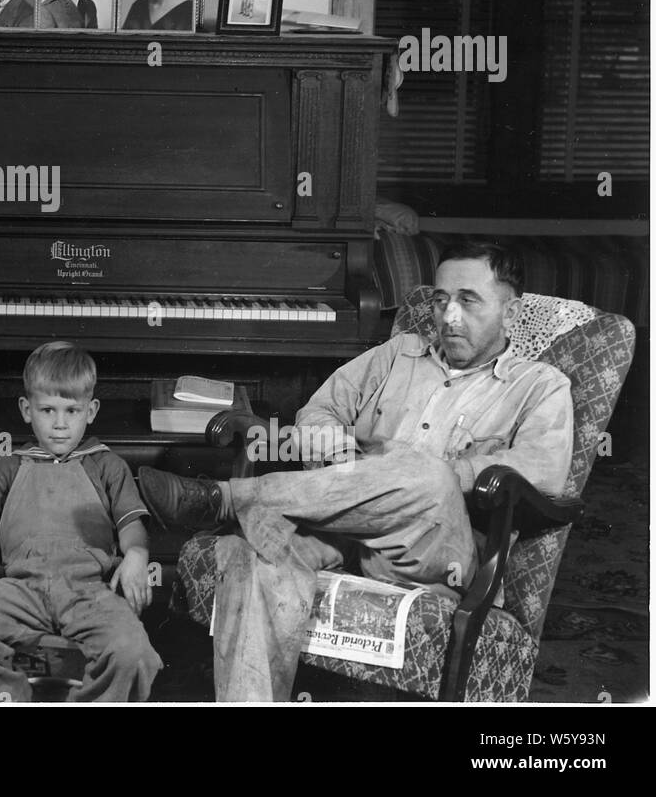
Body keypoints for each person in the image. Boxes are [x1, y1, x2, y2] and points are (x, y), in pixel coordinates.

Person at [137, 241, 573, 701]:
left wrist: (435, 473)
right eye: (441, 299)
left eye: (468, 300)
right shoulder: (397, 354)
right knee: (257, 557)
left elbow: (541, 474)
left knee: (427, 472)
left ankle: (225, 499)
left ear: (512, 312)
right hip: (341, 533)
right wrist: (337, 449)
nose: (448, 317)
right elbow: (320, 410)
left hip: (437, 553)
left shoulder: (538, 387)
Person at [0, 341, 162, 701]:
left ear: (90, 411)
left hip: (89, 590)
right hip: (20, 587)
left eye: (72, 411)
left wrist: (136, 555)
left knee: (132, 651)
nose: (60, 425)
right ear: (27, 410)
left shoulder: (106, 465)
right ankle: (3, 697)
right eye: (47, 410)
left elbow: (131, 526)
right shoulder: (8, 466)